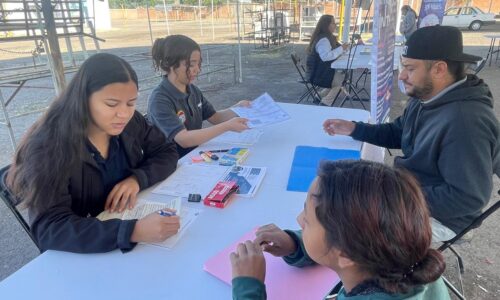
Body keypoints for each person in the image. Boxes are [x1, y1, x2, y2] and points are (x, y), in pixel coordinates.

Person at [323, 26, 500, 242]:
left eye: (409, 68)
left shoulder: (466, 122)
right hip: (409, 190)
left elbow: (466, 198)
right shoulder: (427, 95)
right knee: (340, 192)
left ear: (439, 69)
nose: (403, 75)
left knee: (350, 231)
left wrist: (393, 196)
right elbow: (400, 132)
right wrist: (355, 129)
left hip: (441, 218)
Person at [7, 53, 180, 253]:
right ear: (83, 99)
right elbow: (50, 228)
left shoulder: (129, 124)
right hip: (83, 253)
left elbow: (166, 151)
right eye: (111, 104)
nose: (123, 113)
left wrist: (137, 179)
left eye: (131, 103)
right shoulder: (48, 147)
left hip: (125, 227)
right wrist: (131, 230)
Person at [230, 160, 450, 299]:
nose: (299, 220)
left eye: (307, 218)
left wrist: (248, 286)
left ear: (345, 253)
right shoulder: (411, 263)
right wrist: (296, 244)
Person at [147, 35, 250, 157]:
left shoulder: (192, 90)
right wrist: (227, 126)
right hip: (172, 164)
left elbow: (215, 117)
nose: (197, 69)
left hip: (195, 154)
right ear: (170, 64)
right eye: (191, 64)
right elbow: (184, 139)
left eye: (198, 63)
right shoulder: (160, 100)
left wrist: (238, 108)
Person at [305, 15, 349, 101]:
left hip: (322, 70)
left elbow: (335, 50)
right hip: (319, 74)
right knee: (339, 80)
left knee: (340, 77)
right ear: (326, 25)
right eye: (333, 23)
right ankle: (325, 102)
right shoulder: (323, 40)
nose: (335, 25)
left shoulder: (327, 37)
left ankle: (319, 96)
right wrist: (341, 48)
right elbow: (325, 57)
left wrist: (342, 48)